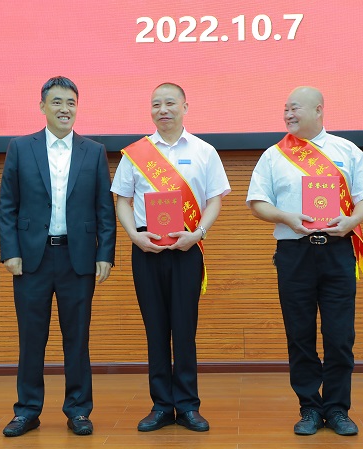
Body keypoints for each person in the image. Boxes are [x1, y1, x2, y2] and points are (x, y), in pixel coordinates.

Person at [246, 86, 363, 437]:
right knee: (300, 335)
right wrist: (286, 217)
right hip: (295, 254)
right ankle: (309, 407)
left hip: (337, 251)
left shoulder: (346, 150)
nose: (288, 115)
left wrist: (351, 222)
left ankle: (337, 408)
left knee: (340, 336)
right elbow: (257, 202)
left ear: (318, 110)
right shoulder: (274, 156)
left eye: (295, 108)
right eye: (285, 109)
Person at [0, 76, 116, 437]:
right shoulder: (21, 148)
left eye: (71, 103)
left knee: (76, 338)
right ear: (43, 107)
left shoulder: (94, 151)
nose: (65, 109)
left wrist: (105, 254)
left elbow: (104, 208)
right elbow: (7, 206)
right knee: (31, 338)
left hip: (77, 259)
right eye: (57, 102)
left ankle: (78, 410)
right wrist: (10, 252)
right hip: (31, 259)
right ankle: (27, 411)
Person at [110, 83, 230, 432]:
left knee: (185, 328)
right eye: (156, 104)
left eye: (169, 103)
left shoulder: (204, 151)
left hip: (187, 249)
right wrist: (134, 236)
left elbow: (215, 199)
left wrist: (199, 233)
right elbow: (122, 200)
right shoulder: (136, 153)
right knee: (156, 329)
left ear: (185, 107)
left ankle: (188, 405)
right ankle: (162, 405)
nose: (162, 110)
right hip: (146, 248)